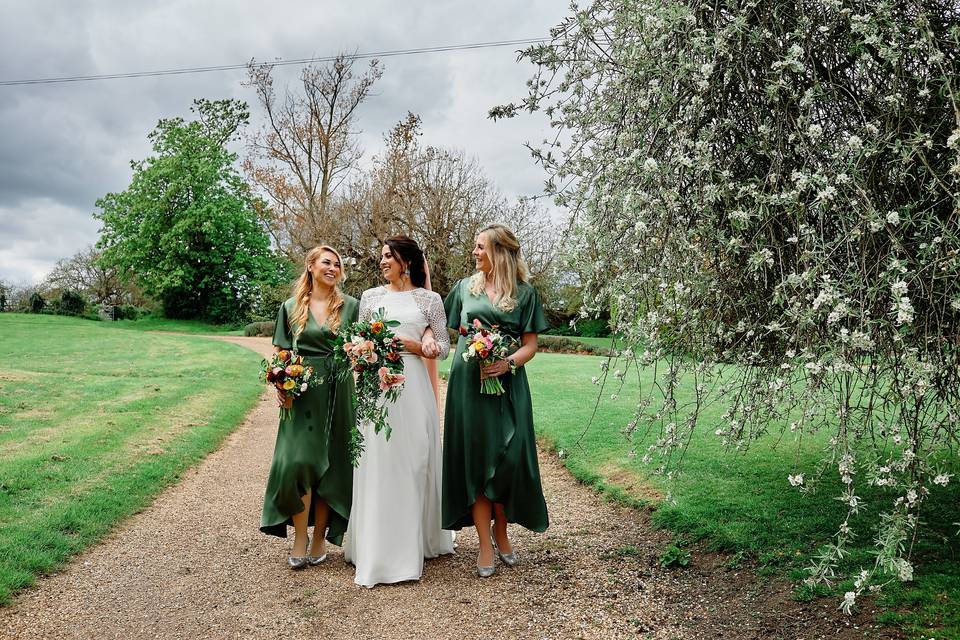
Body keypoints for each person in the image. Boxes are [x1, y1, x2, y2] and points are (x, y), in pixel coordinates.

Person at [343, 235, 455, 587]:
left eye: (388, 256)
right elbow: (359, 337)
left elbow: (445, 347)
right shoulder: (370, 297)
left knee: (413, 460)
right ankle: (375, 548)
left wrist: (419, 345)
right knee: (377, 462)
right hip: (377, 388)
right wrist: (360, 355)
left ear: (406, 261)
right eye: (381, 257)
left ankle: (413, 544)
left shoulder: (429, 299)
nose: (382, 262)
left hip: (412, 387)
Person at [442, 223, 549, 577]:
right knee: (476, 460)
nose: (474, 253)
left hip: (509, 385)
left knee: (509, 458)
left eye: (479, 247)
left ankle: (501, 529)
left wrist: (506, 363)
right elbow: (451, 329)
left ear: (499, 252)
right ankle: (485, 545)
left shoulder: (525, 293)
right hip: (469, 386)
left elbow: (531, 345)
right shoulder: (462, 289)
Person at [260, 245, 359, 569]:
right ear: (311, 266)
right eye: (326, 263)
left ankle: (319, 540)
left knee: (332, 465)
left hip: (338, 390)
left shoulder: (351, 307)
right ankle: (300, 536)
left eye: (337, 264)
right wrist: (282, 384)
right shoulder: (290, 308)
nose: (332, 268)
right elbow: (281, 351)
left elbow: (362, 347)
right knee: (297, 463)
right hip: (300, 393)